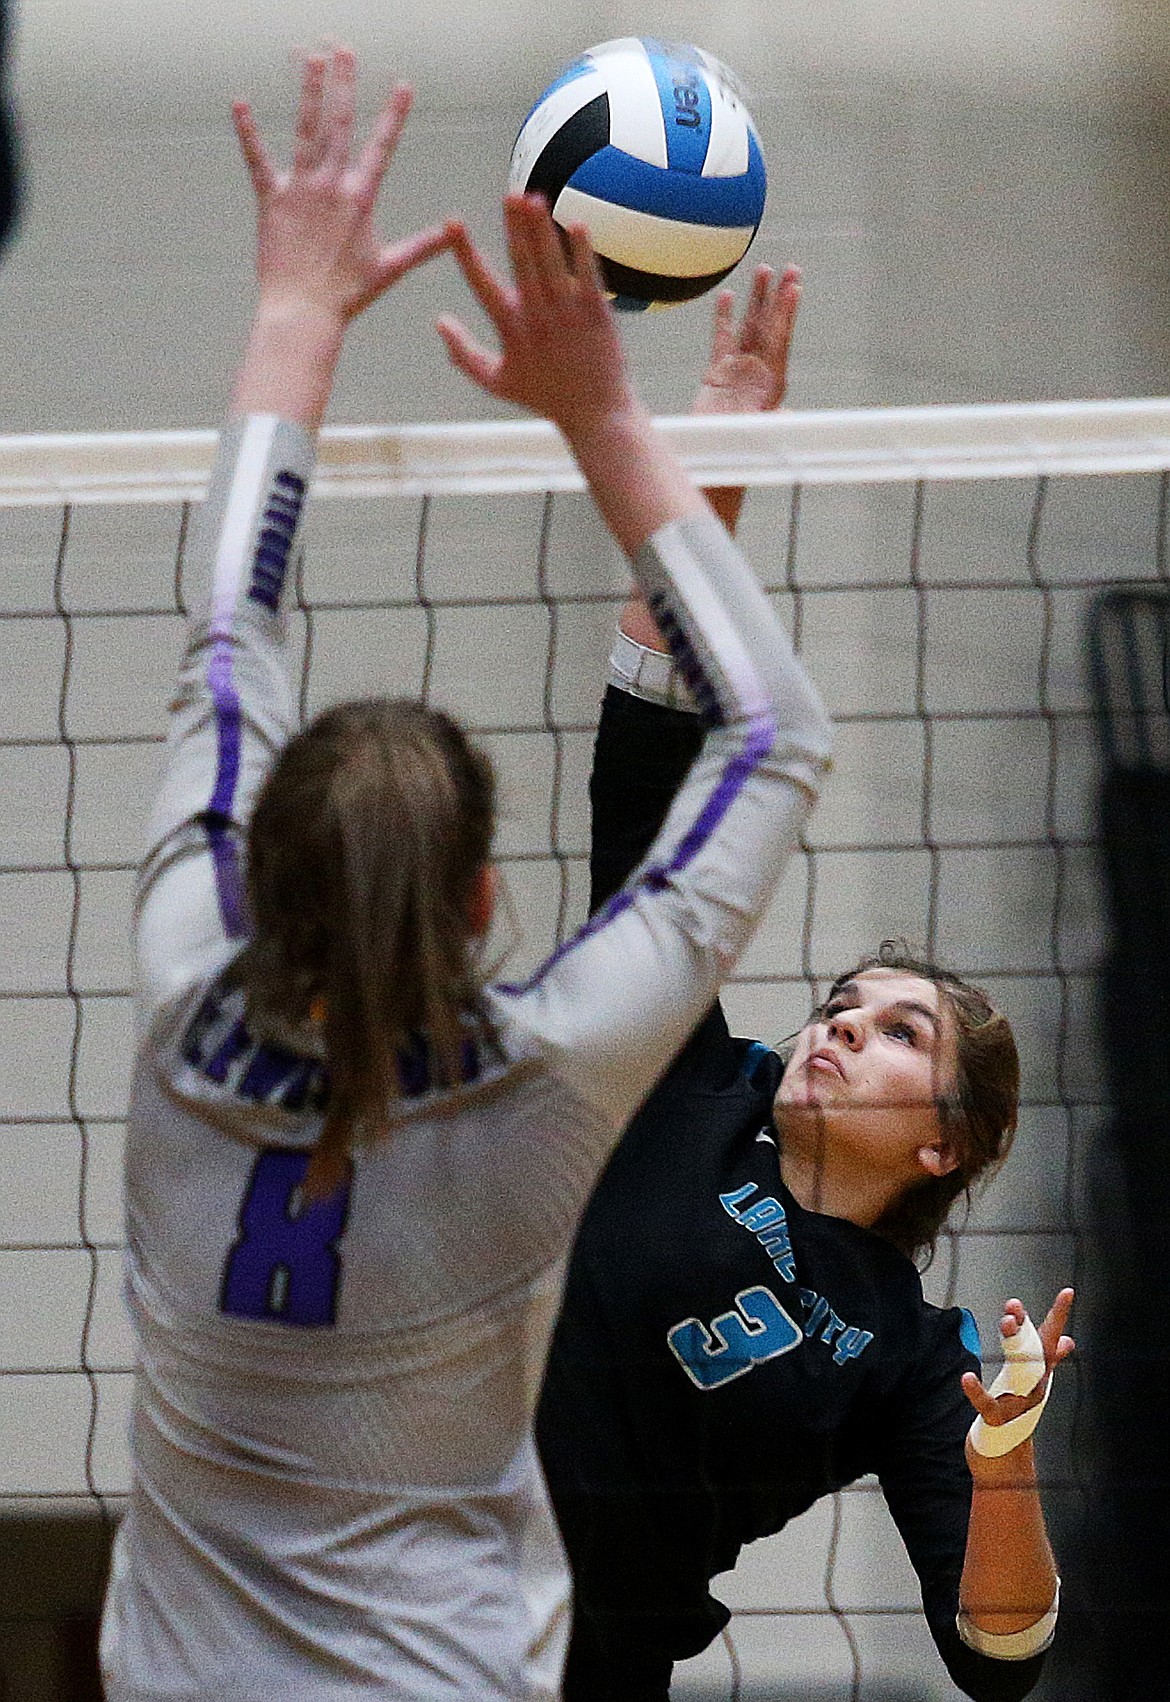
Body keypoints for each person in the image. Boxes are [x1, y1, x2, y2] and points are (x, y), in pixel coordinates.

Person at [98, 49, 832, 1702]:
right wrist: (613, 422)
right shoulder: (544, 1077)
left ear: (254, 874)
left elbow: (230, 630)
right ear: (487, 903)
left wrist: (293, 310)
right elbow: (773, 739)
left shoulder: (173, 977)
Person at [535, 266, 1075, 1702]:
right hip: (418, 1600)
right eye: (842, 998)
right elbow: (642, 751)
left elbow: (998, 1658)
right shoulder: (686, 1079)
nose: (840, 1020)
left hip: (589, 1668)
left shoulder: (912, 1355)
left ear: (945, 1140)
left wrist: (1004, 1457)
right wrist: (709, 450)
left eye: (897, 1030)